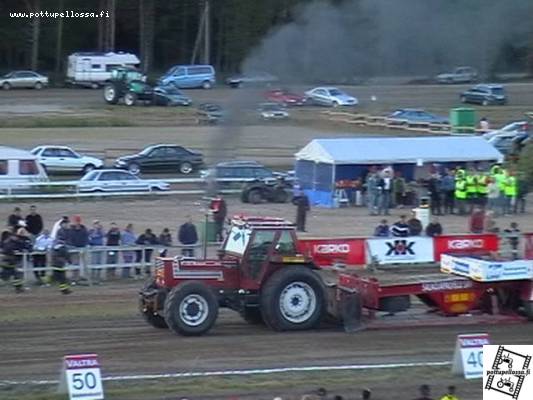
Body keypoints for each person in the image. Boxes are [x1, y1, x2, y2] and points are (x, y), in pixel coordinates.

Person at [1, 228, 31, 293]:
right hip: (10, 260)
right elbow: (22, 245)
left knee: (14, 274)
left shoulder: (5, 241)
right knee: (13, 274)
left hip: (6, 260)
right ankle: (18, 288)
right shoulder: (13, 240)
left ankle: (18, 288)